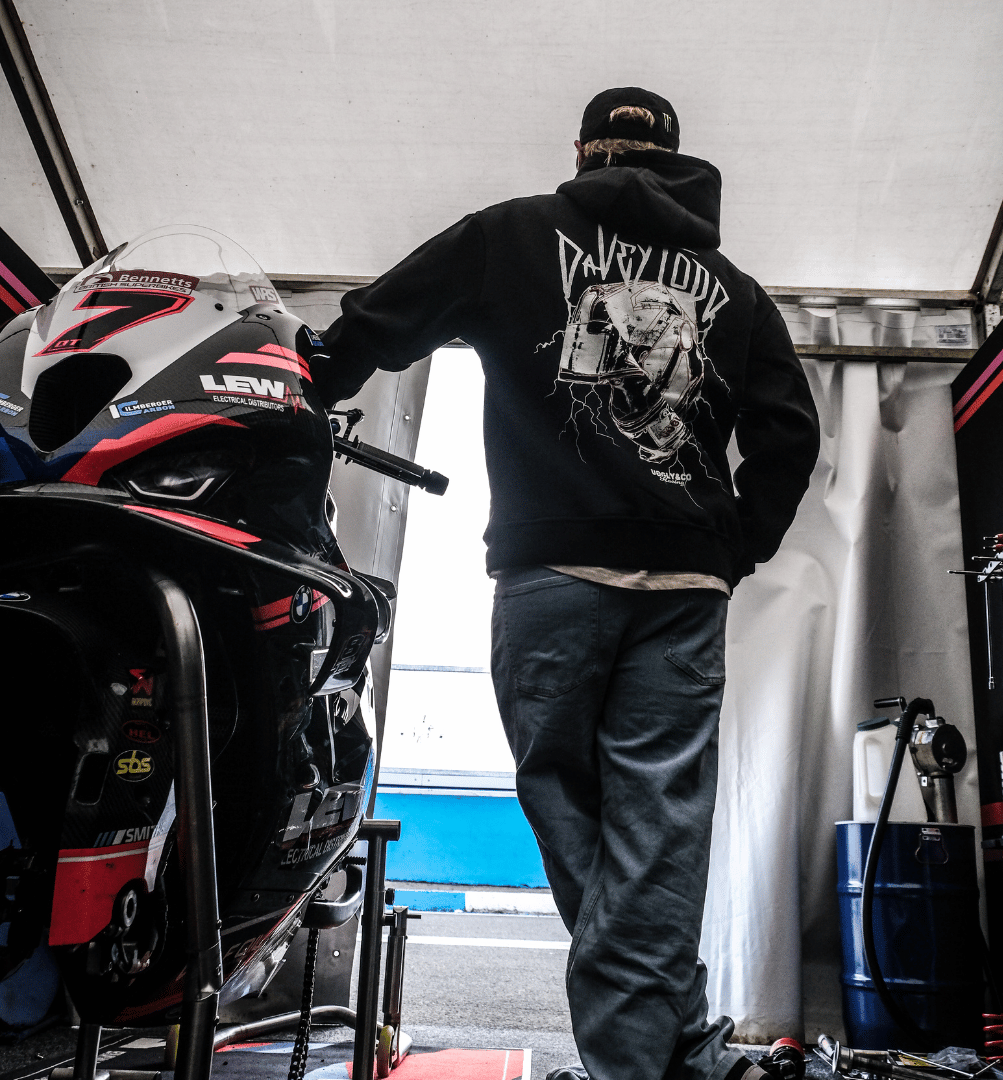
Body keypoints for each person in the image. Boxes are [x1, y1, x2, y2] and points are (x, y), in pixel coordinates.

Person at [314, 87, 820, 1080]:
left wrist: (316, 376)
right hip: (681, 583)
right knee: (657, 826)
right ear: (677, 159)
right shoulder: (735, 290)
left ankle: (634, 1066)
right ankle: (676, 1041)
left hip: (551, 574)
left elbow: (383, 317)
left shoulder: (511, 235)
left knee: (571, 811)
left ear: (584, 152)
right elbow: (789, 434)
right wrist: (736, 542)